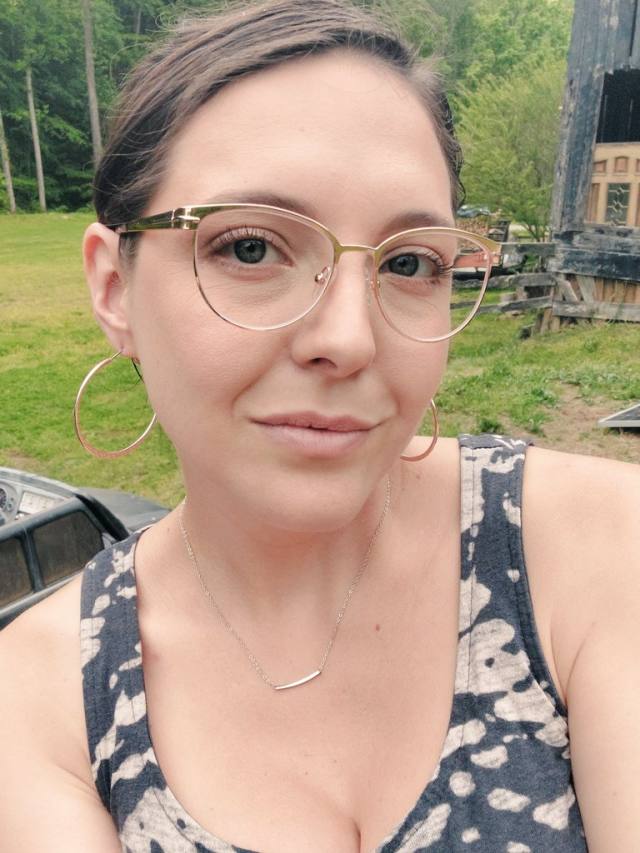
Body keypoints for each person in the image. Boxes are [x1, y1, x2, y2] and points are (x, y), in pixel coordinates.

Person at [1, 1, 638, 850]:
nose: (350, 338)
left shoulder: (597, 547)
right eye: (251, 248)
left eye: (408, 262)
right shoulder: (43, 700)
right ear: (115, 288)